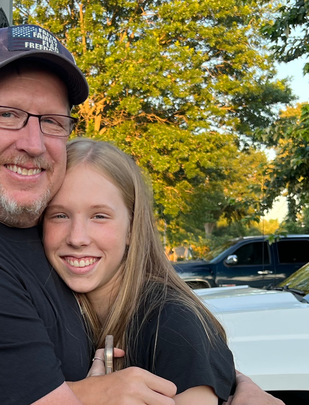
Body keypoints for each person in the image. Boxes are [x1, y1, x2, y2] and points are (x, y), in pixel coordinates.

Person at [0, 24, 282, 405]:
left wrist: (228, 378)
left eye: (51, 121)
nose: (32, 143)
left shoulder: (29, 229)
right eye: (7, 114)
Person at [43, 138, 235, 404]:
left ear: (132, 228)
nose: (77, 238)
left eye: (99, 216)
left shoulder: (174, 324)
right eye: (59, 215)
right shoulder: (45, 308)